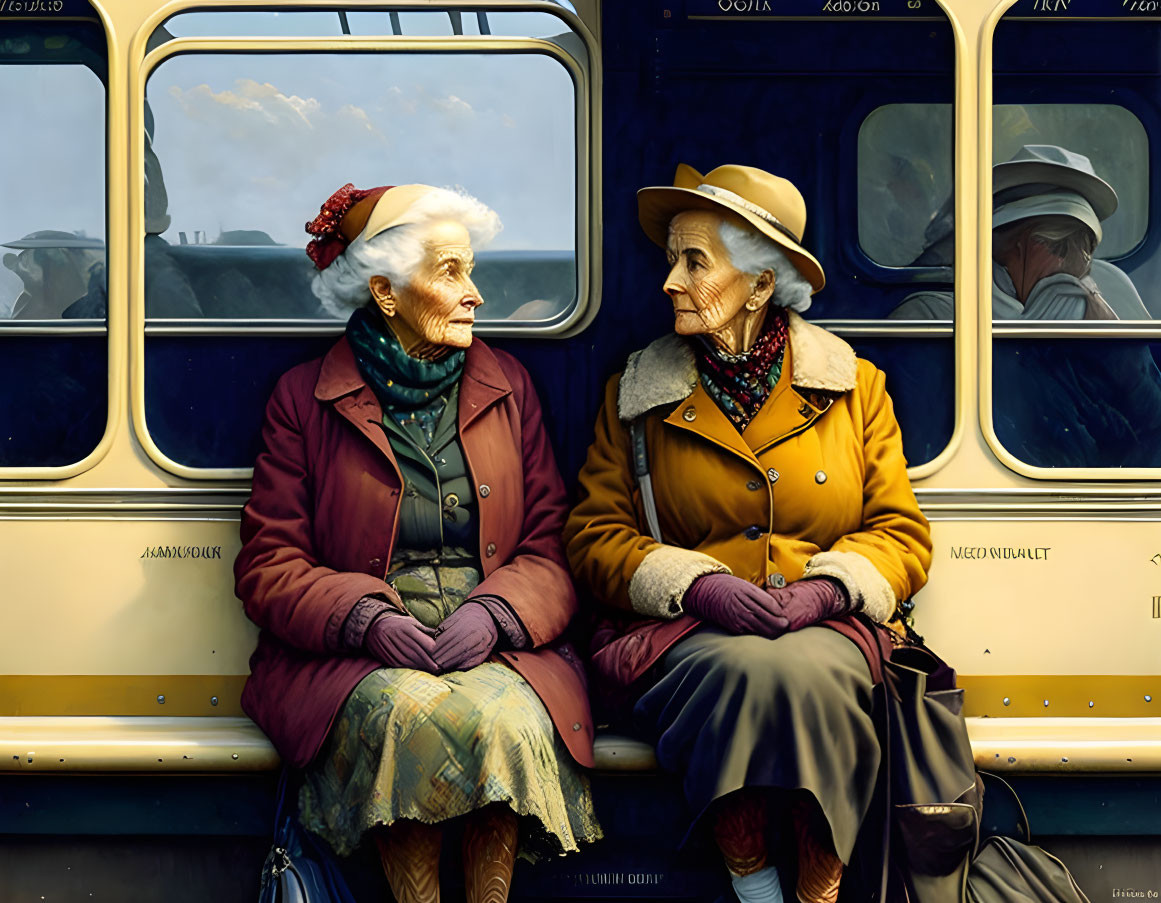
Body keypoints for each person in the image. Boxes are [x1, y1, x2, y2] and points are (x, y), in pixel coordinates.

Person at [565, 163, 932, 903]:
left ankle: (815, 890)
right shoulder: (636, 392)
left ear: (760, 284)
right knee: (747, 674)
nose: (669, 280)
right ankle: (758, 885)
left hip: (823, 629)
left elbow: (901, 533)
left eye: (693, 260)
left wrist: (825, 591)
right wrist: (698, 585)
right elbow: (593, 532)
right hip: (687, 637)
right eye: (672, 259)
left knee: (807, 676)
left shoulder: (855, 388)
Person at [235, 182, 600, 903]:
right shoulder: (303, 398)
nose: (475, 295)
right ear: (386, 292)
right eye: (450, 272)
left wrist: (494, 615)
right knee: (404, 713)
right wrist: (367, 619)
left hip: (496, 639)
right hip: (355, 653)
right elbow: (269, 564)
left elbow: (549, 544)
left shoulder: (508, 386)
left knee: (504, 717)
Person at [892, 144, 1150, 320]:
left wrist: (1109, 340)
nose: (1076, 262)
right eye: (1057, 245)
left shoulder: (1112, 293)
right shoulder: (933, 313)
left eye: (1085, 248)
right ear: (1008, 245)